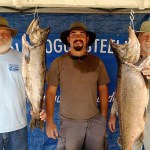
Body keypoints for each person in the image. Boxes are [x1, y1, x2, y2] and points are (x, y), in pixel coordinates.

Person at [46, 21, 110, 150]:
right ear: (68, 39)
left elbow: (103, 88)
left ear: (87, 39)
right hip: (70, 124)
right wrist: (49, 121)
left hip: (95, 122)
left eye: (82, 34)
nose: (78, 37)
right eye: (74, 34)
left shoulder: (97, 62)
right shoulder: (58, 63)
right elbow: (50, 92)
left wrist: (103, 117)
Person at [0, 16, 46, 150]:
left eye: (5, 33)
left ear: (11, 36)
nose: (1, 36)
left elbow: (33, 87)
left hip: (17, 126)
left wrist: (36, 108)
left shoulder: (22, 58)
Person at [108, 21, 150, 150]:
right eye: (145, 36)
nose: (148, 40)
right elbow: (122, 91)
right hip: (133, 117)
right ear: (138, 39)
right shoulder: (129, 65)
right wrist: (113, 113)